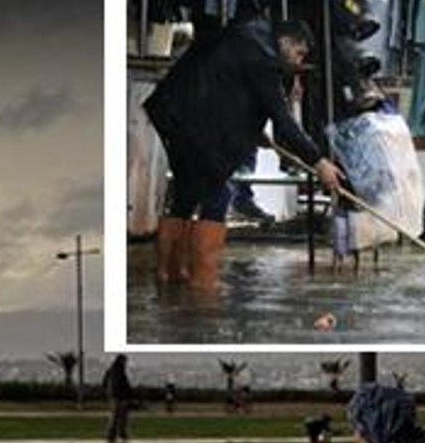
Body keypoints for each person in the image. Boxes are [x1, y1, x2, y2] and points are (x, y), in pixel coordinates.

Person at [143, 16, 344, 290]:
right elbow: (284, 122)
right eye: (299, 53)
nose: (298, 62)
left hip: (171, 111)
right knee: (218, 195)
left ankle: (169, 273)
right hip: (193, 122)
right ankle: (203, 282)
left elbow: (227, 89)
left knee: (187, 192)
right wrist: (319, 162)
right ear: (287, 42)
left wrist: (255, 130)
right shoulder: (264, 58)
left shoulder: (246, 35)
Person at [100, 354, 135, 443]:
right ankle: (118, 437)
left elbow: (104, 383)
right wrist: (128, 396)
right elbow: (123, 385)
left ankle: (113, 437)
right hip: (119, 398)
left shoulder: (112, 371)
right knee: (120, 419)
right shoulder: (119, 372)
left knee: (116, 418)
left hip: (115, 397)